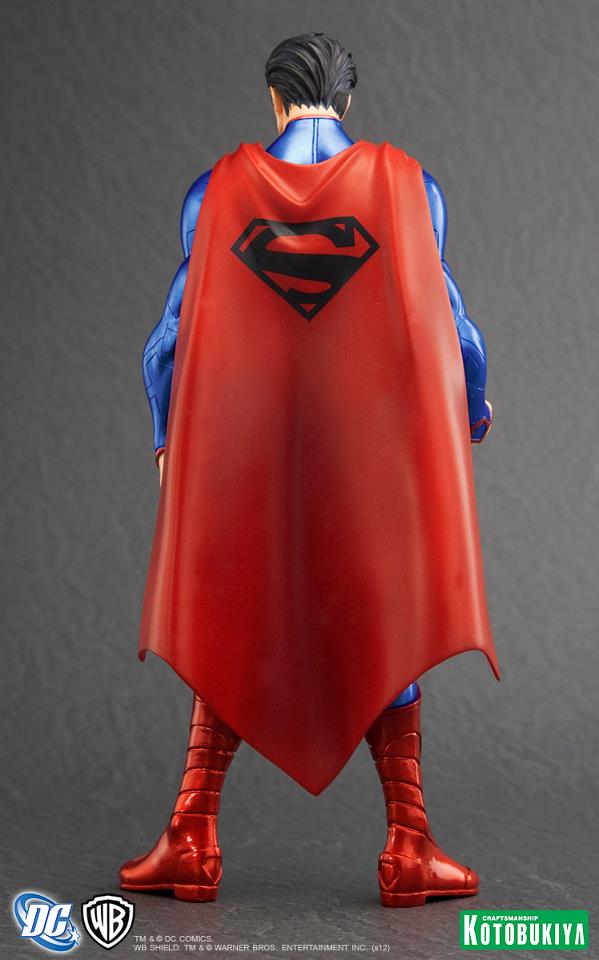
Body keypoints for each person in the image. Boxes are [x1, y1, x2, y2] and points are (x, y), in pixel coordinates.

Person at [120, 32, 498, 908]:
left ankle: (193, 836)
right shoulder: (411, 187)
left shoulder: (214, 191)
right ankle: (408, 845)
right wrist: (473, 412)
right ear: (348, 99)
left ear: (274, 98)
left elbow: (164, 344)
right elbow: (457, 330)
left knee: (235, 622)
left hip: (244, 461)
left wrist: (166, 441)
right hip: (373, 463)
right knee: (382, 622)